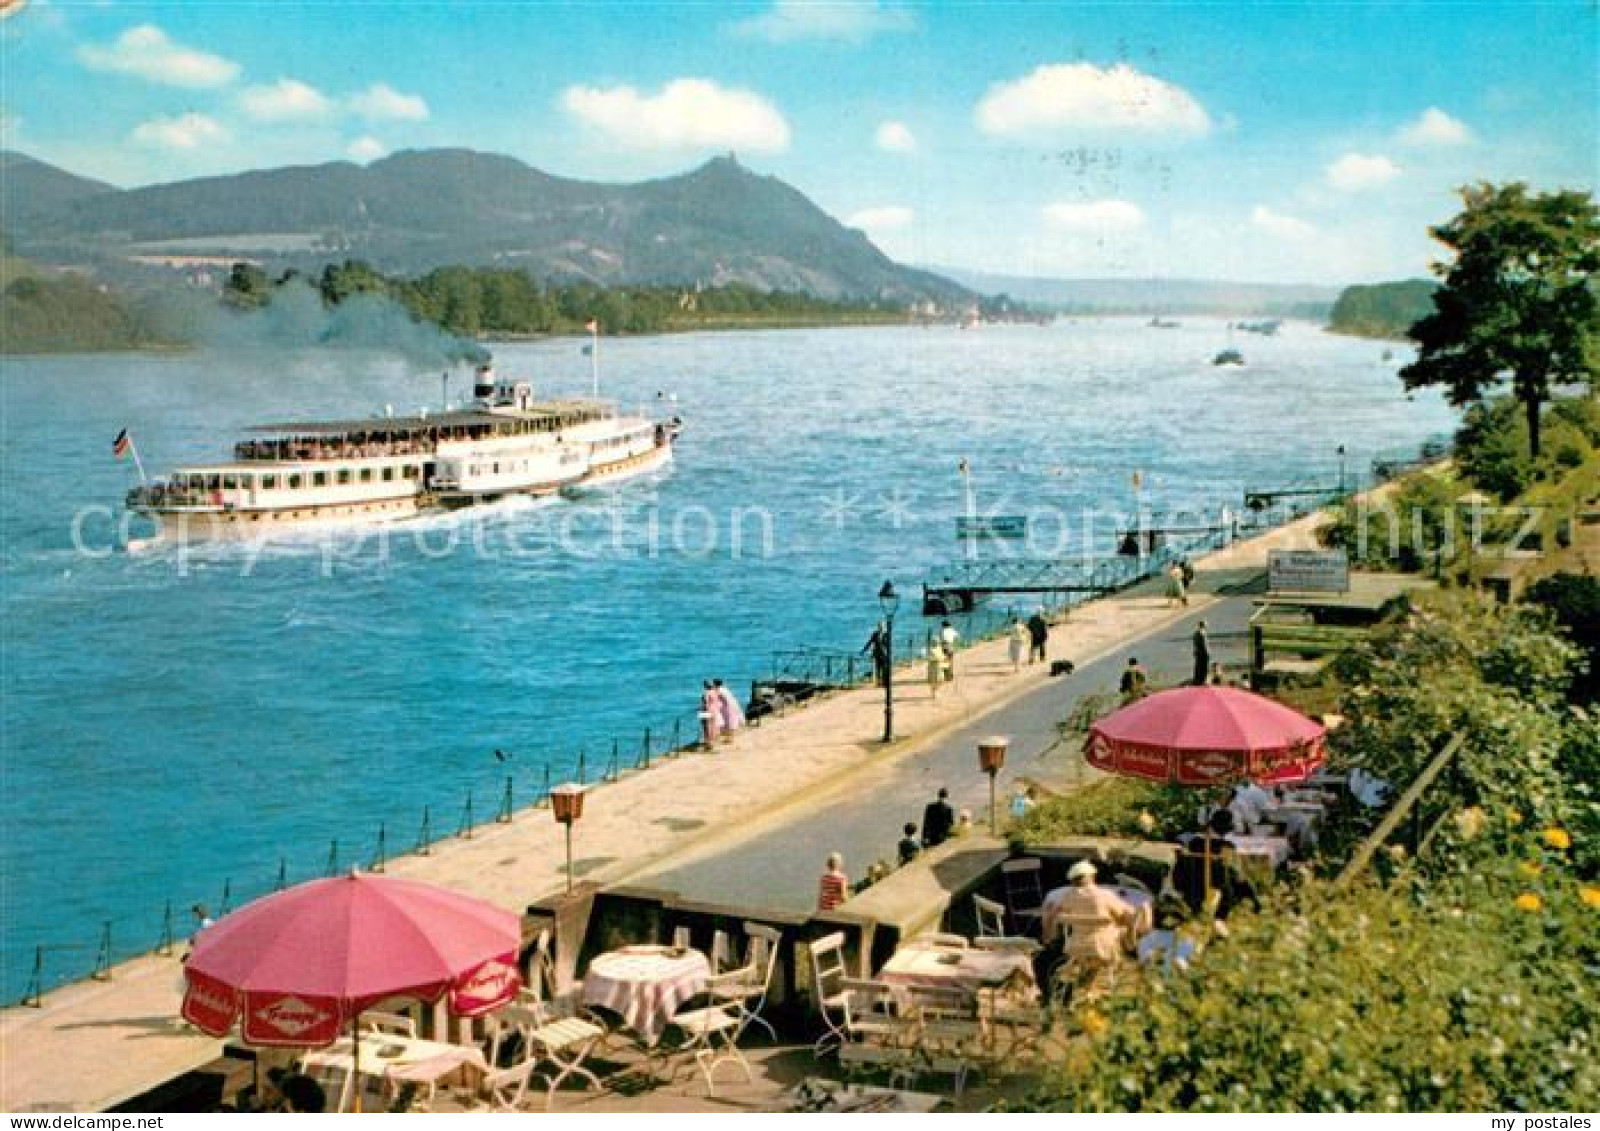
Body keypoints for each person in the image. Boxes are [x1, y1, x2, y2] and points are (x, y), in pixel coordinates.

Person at [1044, 860, 1137, 970]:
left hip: (1077, 943)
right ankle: (1131, 950)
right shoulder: (1104, 894)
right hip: (1103, 943)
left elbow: (1052, 914)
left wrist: (1048, 936)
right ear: (1092, 877)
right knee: (1128, 921)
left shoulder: (1067, 896)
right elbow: (1124, 913)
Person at [861, 622, 890, 687]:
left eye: (882, 626)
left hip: (884, 654)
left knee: (884, 669)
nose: (881, 628)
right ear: (878, 627)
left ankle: (884, 682)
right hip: (876, 654)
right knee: (877, 668)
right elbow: (870, 642)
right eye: (880, 626)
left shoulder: (886, 635)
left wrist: (888, 653)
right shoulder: (875, 634)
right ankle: (878, 682)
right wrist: (864, 650)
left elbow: (888, 645)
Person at [699, 680, 723, 747]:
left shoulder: (706, 693)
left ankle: (708, 743)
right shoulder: (715, 692)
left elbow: (706, 704)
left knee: (706, 726)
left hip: (707, 711)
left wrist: (701, 709)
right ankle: (712, 740)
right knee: (713, 726)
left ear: (705, 686)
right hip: (714, 711)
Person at [1192, 620, 1211, 686]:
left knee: (1198, 667)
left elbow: (1195, 644)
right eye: (1206, 624)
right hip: (1203, 653)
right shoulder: (1202, 633)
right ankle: (1203, 681)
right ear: (1204, 625)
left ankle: (1197, 680)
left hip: (1198, 652)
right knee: (1204, 667)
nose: (1207, 625)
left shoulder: (1195, 633)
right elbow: (1204, 645)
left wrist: (1195, 651)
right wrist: (1208, 653)